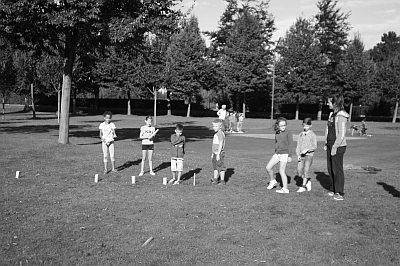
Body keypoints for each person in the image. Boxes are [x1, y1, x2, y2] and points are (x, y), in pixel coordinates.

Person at [325, 95, 349, 201]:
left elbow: (342, 134)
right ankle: (334, 189)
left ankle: (340, 192)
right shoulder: (331, 114)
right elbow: (328, 129)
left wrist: (335, 147)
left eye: (329, 102)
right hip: (330, 145)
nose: (327, 104)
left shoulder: (341, 116)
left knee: (337, 170)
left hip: (338, 146)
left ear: (335, 103)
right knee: (330, 168)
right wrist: (326, 142)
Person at [266, 117, 293, 193]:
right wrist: (276, 151)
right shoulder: (277, 132)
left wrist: (290, 156)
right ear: (278, 125)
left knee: (281, 171)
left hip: (285, 154)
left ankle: (285, 189)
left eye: (284, 125)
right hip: (278, 154)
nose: (283, 127)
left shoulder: (288, 132)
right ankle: (273, 181)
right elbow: (276, 143)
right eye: (281, 125)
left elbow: (291, 144)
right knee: (268, 167)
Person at [296, 117, 317, 192]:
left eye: (307, 126)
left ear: (310, 126)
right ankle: (308, 181)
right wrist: (298, 154)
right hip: (301, 156)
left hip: (309, 155)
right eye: (304, 126)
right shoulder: (300, 134)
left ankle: (303, 186)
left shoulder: (312, 135)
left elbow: (315, 146)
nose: (305, 127)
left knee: (306, 170)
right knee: (299, 171)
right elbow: (298, 145)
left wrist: (307, 150)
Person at [211, 119, 226, 184]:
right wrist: (213, 153)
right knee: (215, 166)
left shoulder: (220, 134)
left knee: (220, 167)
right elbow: (214, 145)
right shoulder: (216, 134)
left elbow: (221, 143)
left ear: (220, 127)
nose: (214, 128)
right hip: (215, 153)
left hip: (219, 153)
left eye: (216, 126)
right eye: (213, 126)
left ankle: (222, 180)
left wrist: (218, 154)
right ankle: (215, 179)